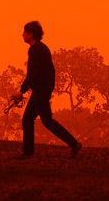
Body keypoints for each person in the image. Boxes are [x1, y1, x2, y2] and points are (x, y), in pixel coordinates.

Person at [11, 20, 81, 159]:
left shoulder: (35, 49)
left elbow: (33, 74)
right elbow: (46, 72)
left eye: (24, 32)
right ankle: (74, 144)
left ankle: (28, 152)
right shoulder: (42, 48)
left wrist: (21, 91)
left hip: (41, 91)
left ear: (31, 34)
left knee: (27, 120)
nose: (22, 35)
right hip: (43, 90)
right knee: (47, 120)